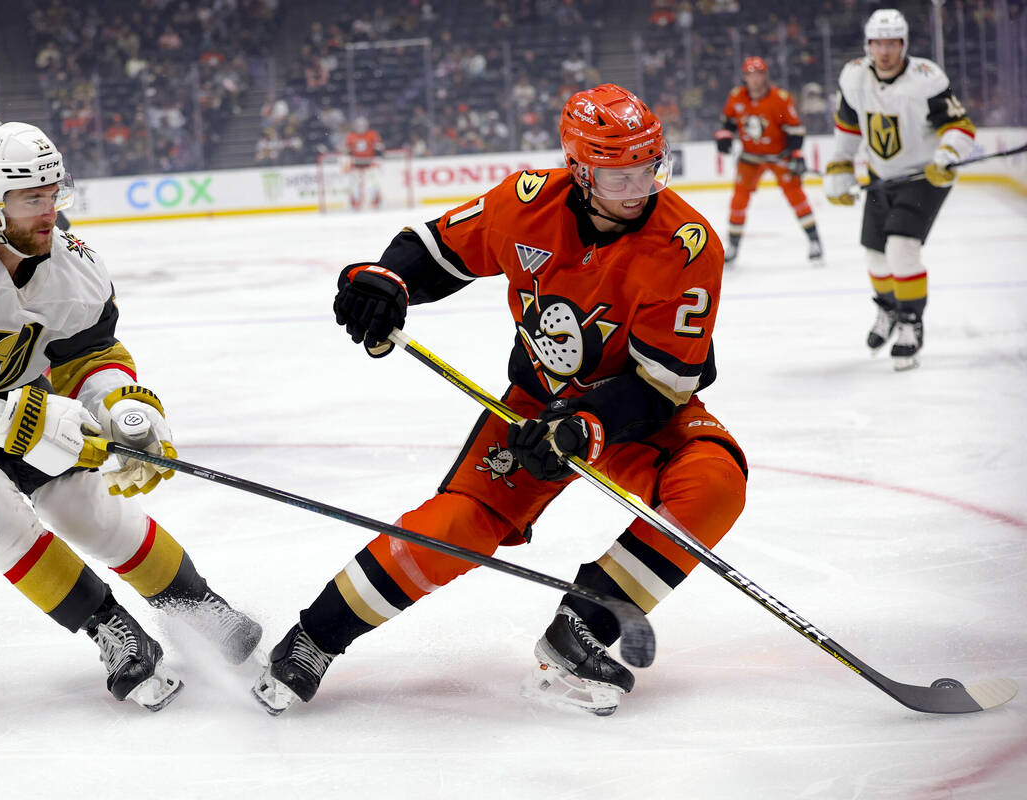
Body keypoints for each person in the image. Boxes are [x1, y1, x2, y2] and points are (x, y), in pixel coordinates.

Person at [253, 85, 748, 717]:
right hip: (533, 407)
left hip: (637, 411)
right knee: (458, 525)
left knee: (714, 482)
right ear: (579, 169)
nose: (637, 186)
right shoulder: (527, 204)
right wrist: (386, 281)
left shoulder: (687, 245)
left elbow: (663, 383)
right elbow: (434, 249)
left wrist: (586, 428)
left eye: (647, 168)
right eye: (617, 174)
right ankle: (313, 639)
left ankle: (583, 629)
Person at [0, 122, 261, 710]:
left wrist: (122, 403)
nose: (49, 212)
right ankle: (108, 627)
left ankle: (195, 605)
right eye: (31, 198)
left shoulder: (72, 263)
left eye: (53, 192)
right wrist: (18, 421)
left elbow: (90, 354)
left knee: (77, 501)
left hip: (5, 392)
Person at [823, 8, 975, 371]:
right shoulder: (855, 76)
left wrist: (949, 152)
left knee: (901, 250)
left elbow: (960, 125)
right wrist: (840, 165)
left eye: (892, 43)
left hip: (924, 176)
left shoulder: (926, 77)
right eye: (878, 43)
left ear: (904, 44)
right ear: (868, 45)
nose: (885, 51)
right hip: (880, 175)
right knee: (875, 255)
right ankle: (889, 311)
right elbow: (848, 128)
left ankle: (911, 321)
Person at [714, 56, 822, 266]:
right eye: (750, 75)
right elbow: (727, 121)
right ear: (744, 77)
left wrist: (796, 155)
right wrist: (724, 137)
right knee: (738, 200)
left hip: (778, 156)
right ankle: (734, 245)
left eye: (758, 74)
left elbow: (795, 130)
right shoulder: (736, 97)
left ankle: (814, 241)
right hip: (750, 157)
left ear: (765, 76)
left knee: (796, 196)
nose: (754, 80)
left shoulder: (780, 98)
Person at [343, 116, 385, 210]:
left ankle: (375, 202)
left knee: (373, 183)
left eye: (362, 125)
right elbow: (346, 150)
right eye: (358, 125)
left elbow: (379, 148)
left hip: (369, 163)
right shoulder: (351, 136)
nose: (360, 127)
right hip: (355, 164)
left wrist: (377, 159)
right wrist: (348, 160)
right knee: (354, 185)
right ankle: (355, 203)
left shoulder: (372, 134)